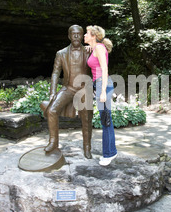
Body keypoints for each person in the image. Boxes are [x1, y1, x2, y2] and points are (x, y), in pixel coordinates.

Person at [40, 25, 93, 159]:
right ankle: (53, 142)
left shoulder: (89, 51)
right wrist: (52, 92)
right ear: (69, 36)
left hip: (83, 89)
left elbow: (101, 59)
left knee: (86, 117)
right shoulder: (61, 53)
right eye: (73, 34)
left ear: (82, 36)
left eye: (79, 34)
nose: (76, 36)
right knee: (52, 110)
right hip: (68, 88)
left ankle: (87, 147)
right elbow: (55, 73)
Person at [84, 25, 117, 166]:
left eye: (86, 33)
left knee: (106, 120)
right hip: (98, 85)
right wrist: (88, 49)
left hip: (103, 85)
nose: (84, 35)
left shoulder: (99, 48)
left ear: (93, 36)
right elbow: (95, 61)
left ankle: (110, 154)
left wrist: (103, 91)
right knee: (105, 119)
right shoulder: (95, 48)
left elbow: (104, 69)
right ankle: (110, 152)